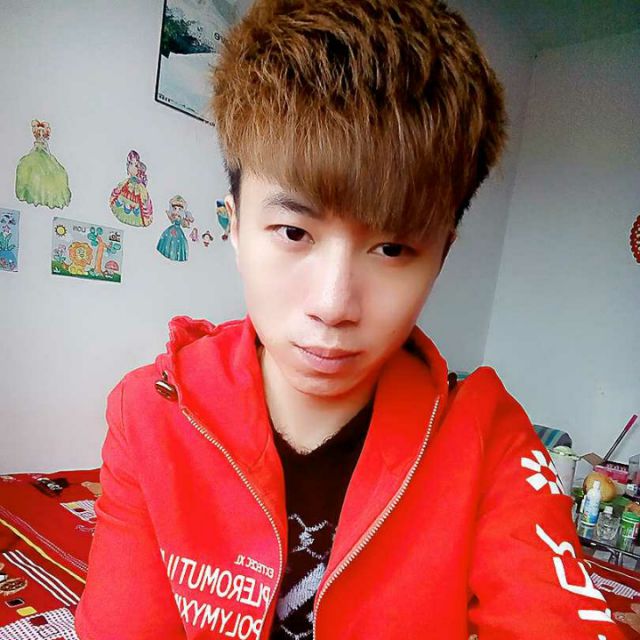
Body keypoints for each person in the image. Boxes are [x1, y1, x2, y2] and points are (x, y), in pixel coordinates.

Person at [75, 1, 623, 638]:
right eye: (293, 232)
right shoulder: (152, 412)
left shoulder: (486, 440)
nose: (333, 304)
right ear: (234, 226)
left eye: (392, 248)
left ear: (441, 256)